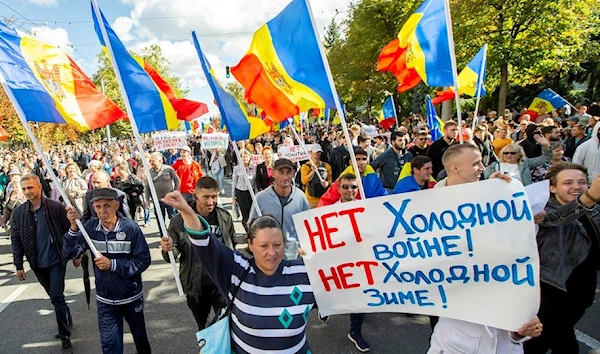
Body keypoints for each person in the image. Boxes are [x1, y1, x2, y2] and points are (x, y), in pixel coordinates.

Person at [161, 191, 315, 353]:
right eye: (264, 246)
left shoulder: (304, 271)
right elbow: (205, 243)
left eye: (277, 245)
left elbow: (339, 289)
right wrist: (186, 210)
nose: (272, 252)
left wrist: (318, 261)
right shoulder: (237, 270)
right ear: (250, 244)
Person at [428, 144, 542, 354]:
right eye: (475, 163)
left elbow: (520, 242)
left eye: (481, 162)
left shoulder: (494, 194)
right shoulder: (431, 206)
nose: (482, 167)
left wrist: (500, 194)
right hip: (458, 329)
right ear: (454, 167)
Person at [523, 162, 600, 353]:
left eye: (582, 182)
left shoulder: (594, 210)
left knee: (553, 338)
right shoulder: (542, 209)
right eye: (568, 182)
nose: (576, 187)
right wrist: (588, 198)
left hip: (580, 292)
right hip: (549, 290)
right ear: (552, 187)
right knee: (553, 341)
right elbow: (555, 218)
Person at [63, 188, 151, 354]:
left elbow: (143, 260)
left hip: (130, 297)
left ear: (116, 205)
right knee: (110, 345)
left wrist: (113, 264)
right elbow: (71, 253)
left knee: (140, 338)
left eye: (106, 206)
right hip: (105, 300)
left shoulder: (130, 228)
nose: (102, 211)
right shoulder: (90, 227)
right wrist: (74, 228)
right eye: (98, 207)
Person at [161, 177, 235, 330]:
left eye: (214, 196)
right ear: (195, 196)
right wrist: (167, 248)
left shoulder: (224, 217)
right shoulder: (179, 221)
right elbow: (172, 255)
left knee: (225, 327)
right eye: (205, 197)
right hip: (195, 287)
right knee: (204, 330)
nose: (210, 202)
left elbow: (232, 245)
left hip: (221, 284)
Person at [11, 174, 74, 352]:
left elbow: (69, 231)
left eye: (30, 187)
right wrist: (18, 265)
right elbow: (16, 240)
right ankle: (65, 315)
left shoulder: (55, 207)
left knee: (56, 296)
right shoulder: (19, 213)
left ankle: (65, 335)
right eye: (24, 189)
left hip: (56, 260)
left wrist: (76, 254)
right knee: (55, 298)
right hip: (37, 263)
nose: (27, 192)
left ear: (39, 187)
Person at [248, 158, 309, 260]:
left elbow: (307, 227)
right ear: (273, 173)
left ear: (293, 174)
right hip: (269, 256)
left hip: (294, 256)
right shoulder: (261, 198)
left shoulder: (300, 197)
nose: (285, 177)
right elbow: (251, 227)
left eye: (288, 173)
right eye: (281, 172)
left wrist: (302, 248)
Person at [318, 147, 387, 206]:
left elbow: (382, 195)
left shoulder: (371, 175)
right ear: (350, 162)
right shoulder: (344, 177)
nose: (361, 162)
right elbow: (328, 199)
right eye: (357, 159)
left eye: (364, 159)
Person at [483, 139, 551, 185]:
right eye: (506, 153)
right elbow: (484, 181)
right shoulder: (494, 166)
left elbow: (545, 158)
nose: (508, 155)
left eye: (512, 153)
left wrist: (546, 146)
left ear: (519, 155)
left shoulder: (525, 163)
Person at [146, 151, 180, 221]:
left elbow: (177, 180)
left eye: (153, 161)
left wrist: (175, 191)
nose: (151, 163)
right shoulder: (149, 172)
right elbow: (147, 186)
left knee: (173, 217)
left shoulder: (168, 169)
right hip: (157, 200)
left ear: (160, 161)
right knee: (160, 219)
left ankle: (174, 231)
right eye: (150, 161)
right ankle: (163, 232)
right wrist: (147, 200)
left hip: (170, 199)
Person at [300, 144, 332, 208]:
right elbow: (304, 181)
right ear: (310, 153)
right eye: (315, 152)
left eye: (319, 152)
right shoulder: (305, 166)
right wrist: (312, 172)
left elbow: (330, 180)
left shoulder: (326, 166)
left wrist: (327, 183)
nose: (317, 154)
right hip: (310, 199)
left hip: (323, 198)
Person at [232, 149, 256, 229]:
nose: (245, 158)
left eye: (246, 157)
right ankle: (247, 231)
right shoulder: (237, 168)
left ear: (250, 157)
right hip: (240, 192)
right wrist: (233, 196)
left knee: (252, 213)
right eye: (243, 157)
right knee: (244, 213)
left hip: (251, 193)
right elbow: (234, 183)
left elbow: (256, 182)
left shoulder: (254, 167)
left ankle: (251, 230)